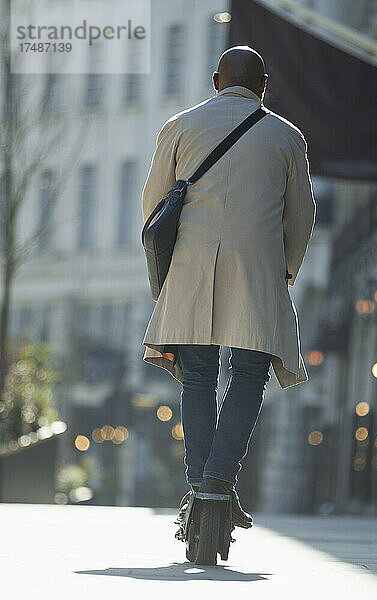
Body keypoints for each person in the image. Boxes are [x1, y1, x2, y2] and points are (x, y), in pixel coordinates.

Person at [141, 46, 316, 528]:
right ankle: (219, 481)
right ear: (264, 86)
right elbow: (301, 217)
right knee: (249, 375)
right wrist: (286, 270)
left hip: (191, 270)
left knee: (198, 376)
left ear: (217, 80)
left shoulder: (179, 126)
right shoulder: (287, 137)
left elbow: (154, 207)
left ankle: (200, 487)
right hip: (257, 272)